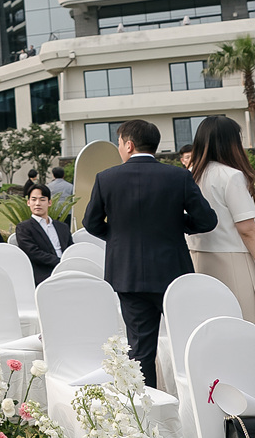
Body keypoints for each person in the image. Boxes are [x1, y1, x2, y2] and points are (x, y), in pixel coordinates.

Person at [83, 118, 217, 386]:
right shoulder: (178, 175)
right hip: (172, 273)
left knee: (140, 351)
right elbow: (207, 221)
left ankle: (147, 414)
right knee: (188, 344)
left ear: (129, 145)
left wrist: (120, 236)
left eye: (119, 143)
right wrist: (176, 224)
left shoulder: (106, 178)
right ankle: (200, 407)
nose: (119, 147)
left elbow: (91, 223)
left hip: (128, 274)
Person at [185, 115, 255, 323]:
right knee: (244, 323)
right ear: (231, 141)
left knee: (209, 324)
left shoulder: (188, 174)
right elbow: (247, 229)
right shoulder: (231, 175)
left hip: (197, 258)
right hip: (233, 259)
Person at [15, 183, 72, 284]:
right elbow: (33, 253)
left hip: (68, 271)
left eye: (42, 199)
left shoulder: (62, 227)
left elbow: (70, 248)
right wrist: (60, 263)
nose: (37, 203)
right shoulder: (24, 228)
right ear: (28, 202)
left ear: (49, 202)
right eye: (33, 199)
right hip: (43, 274)